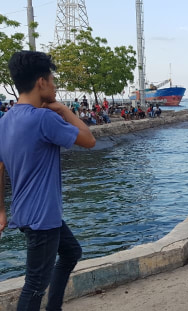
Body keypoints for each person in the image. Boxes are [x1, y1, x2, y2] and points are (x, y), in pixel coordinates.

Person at [0, 50, 96, 311]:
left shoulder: (5, 120)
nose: (54, 87)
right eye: (53, 81)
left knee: (70, 252)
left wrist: (1, 210)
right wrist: (64, 109)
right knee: (34, 285)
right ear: (41, 82)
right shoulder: (44, 118)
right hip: (42, 217)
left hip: (29, 212)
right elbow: (88, 140)